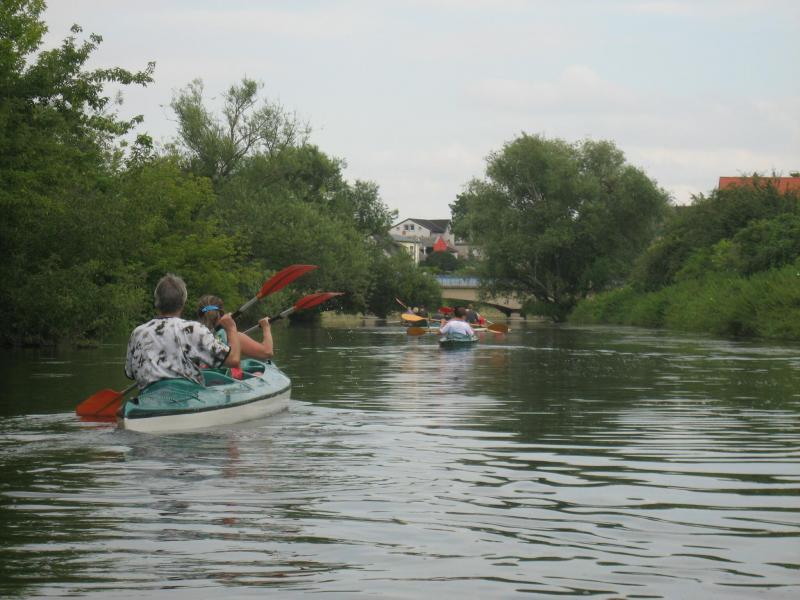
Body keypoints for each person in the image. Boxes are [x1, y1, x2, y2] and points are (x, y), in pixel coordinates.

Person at [125, 274, 240, 390]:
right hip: (188, 396)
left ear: (157, 302)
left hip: (149, 397)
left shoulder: (137, 333)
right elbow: (234, 360)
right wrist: (231, 329)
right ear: (183, 302)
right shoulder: (193, 330)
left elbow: (130, 373)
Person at [196, 294, 274, 360]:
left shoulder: (193, 336)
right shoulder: (235, 338)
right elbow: (267, 352)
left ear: (199, 315)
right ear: (222, 313)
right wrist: (266, 327)